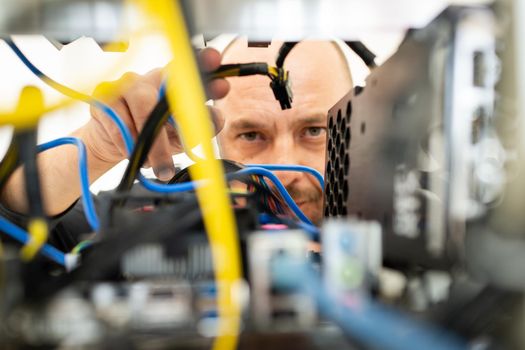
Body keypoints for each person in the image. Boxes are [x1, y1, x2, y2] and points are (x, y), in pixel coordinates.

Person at [0, 39, 352, 248]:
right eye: (251, 135)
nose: (285, 168)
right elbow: (15, 237)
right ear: (219, 143)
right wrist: (96, 149)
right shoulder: (158, 217)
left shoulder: (403, 228)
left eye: (315, 131)